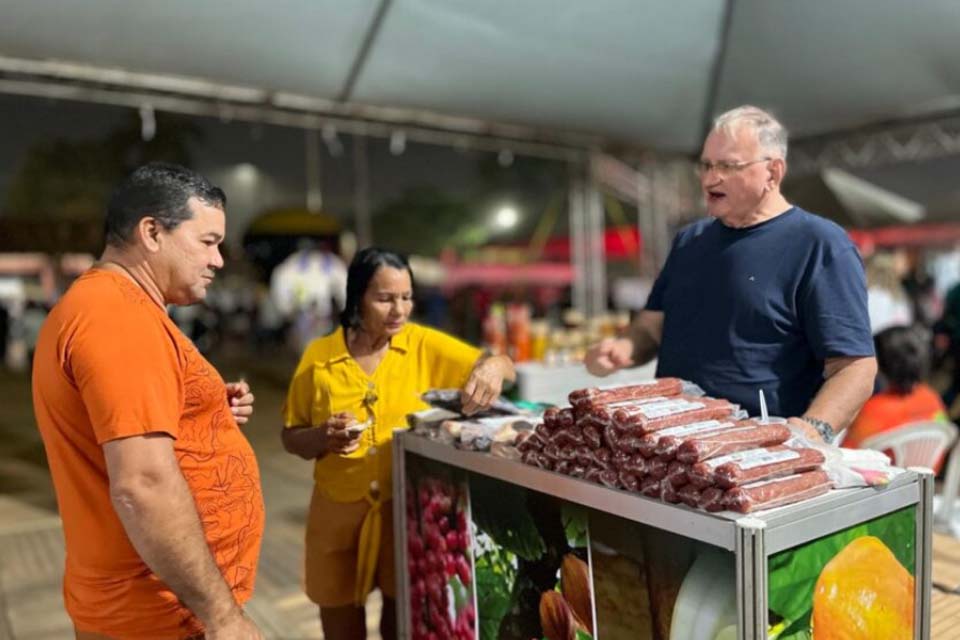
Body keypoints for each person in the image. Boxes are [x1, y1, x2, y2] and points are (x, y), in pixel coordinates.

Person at [31, 163, 265, 640]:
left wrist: (208, 413)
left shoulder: (115, 308)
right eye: (208, 241)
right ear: (152, 232)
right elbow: (142, 484)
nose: (219, 260)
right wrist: (223, 618)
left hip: (159, 607)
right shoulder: (118, 316)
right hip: (156, 615)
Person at [585, 105, 877, 442]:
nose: (711, 178)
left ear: (773, 172)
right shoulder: (689, 240)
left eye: (728, 166)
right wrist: (625, 346)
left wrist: (811, 430)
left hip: (754, 452)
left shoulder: (820, 244)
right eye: (707, 165)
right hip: (667, 442)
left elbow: (855, 367)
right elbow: (653, 325)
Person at [281, 247, 515, 640]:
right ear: (357, 297)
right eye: (385, 298)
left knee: (399, 619)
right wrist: (323, 436)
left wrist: (492, 367)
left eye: (406, 298)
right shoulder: (320, 358)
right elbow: (291, 436)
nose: (399, 310)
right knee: (340, 625)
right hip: (336, 516)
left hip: (402, 513)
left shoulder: (421, 344)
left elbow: (501, 362)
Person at [844, 325, 950, 472]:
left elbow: (847, 458)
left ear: (880, 364)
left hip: (885, 488)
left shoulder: (873, 410)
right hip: (924, 484)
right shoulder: (932, 399)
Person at [865, 251, 912, 334]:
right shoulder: (897, 295)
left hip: (870, 341)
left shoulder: (866, 293)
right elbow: (905, 322)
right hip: (890, 341)